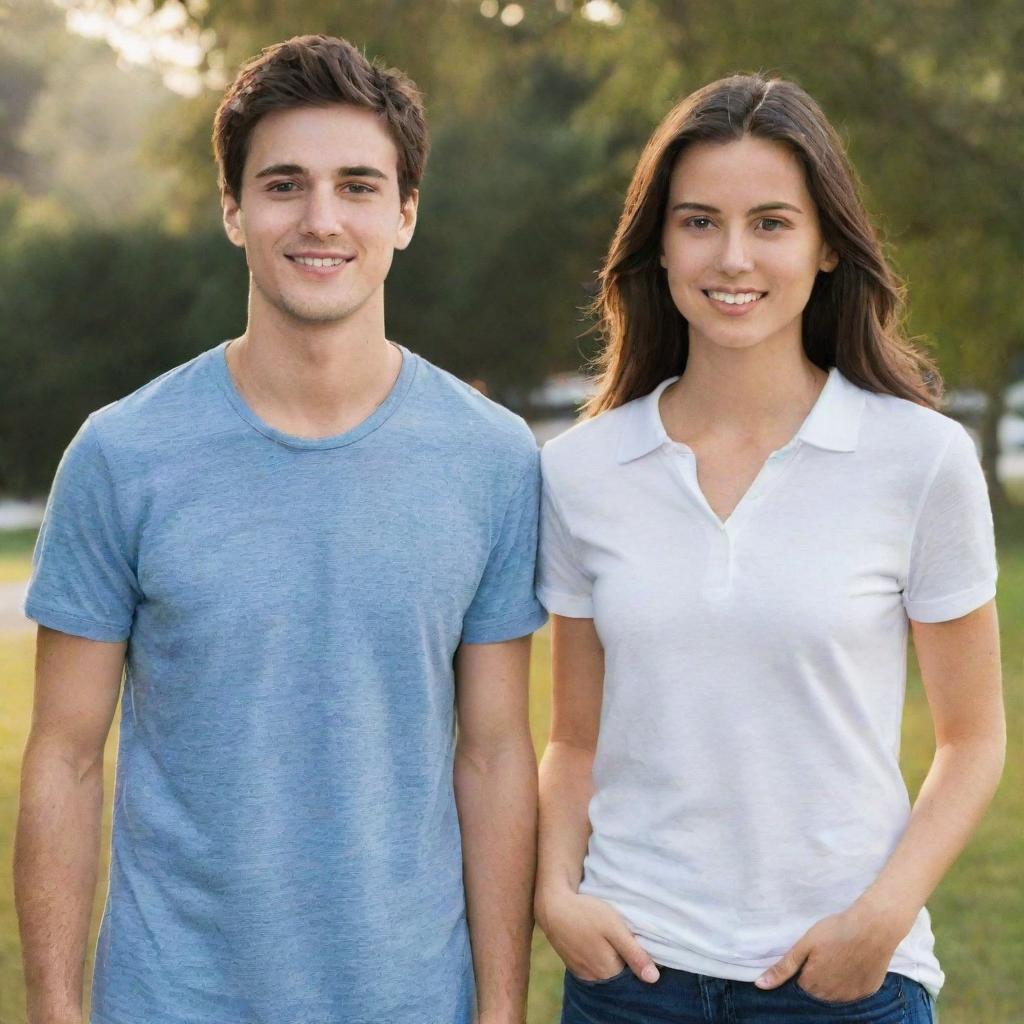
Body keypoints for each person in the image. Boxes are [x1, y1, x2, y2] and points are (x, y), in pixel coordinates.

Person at [15, 34, 545, 1024]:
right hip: (173, 1001)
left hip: (411, 1001)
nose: (320, 220)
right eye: (283, 185)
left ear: (405, 213)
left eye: (356, 186)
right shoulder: (122, 455)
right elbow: (66, 757)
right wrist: (54, 1008)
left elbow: (496, 753)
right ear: (232, 209)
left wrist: (502, 1007)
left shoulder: (494, 461)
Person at [535, 74, 1004, 1024]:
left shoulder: (920, 459)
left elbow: (972, 739)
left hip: (843, 978)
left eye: (773, 223)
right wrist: (555, 895)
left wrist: (880, 919)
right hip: (632, 978)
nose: (733, 256)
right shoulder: (583, 470)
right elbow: (573, 738)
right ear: (659, 245)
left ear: (828, 244)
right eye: (699, 221)